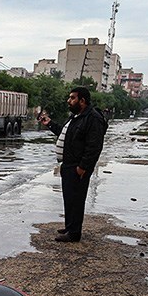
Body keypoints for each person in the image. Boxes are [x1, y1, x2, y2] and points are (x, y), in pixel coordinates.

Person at [39, 87, 108, 242]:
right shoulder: (76, 117)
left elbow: (94, 146)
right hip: (68, 164)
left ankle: (74, 233)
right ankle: (70, 226)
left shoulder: (93, 118)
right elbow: (64, 134)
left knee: (76, 199)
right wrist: (50, 124)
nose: (68, 101)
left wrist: (83, 167)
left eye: (72, 98)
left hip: (78, 166)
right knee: (69, 198)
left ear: (82, 101)